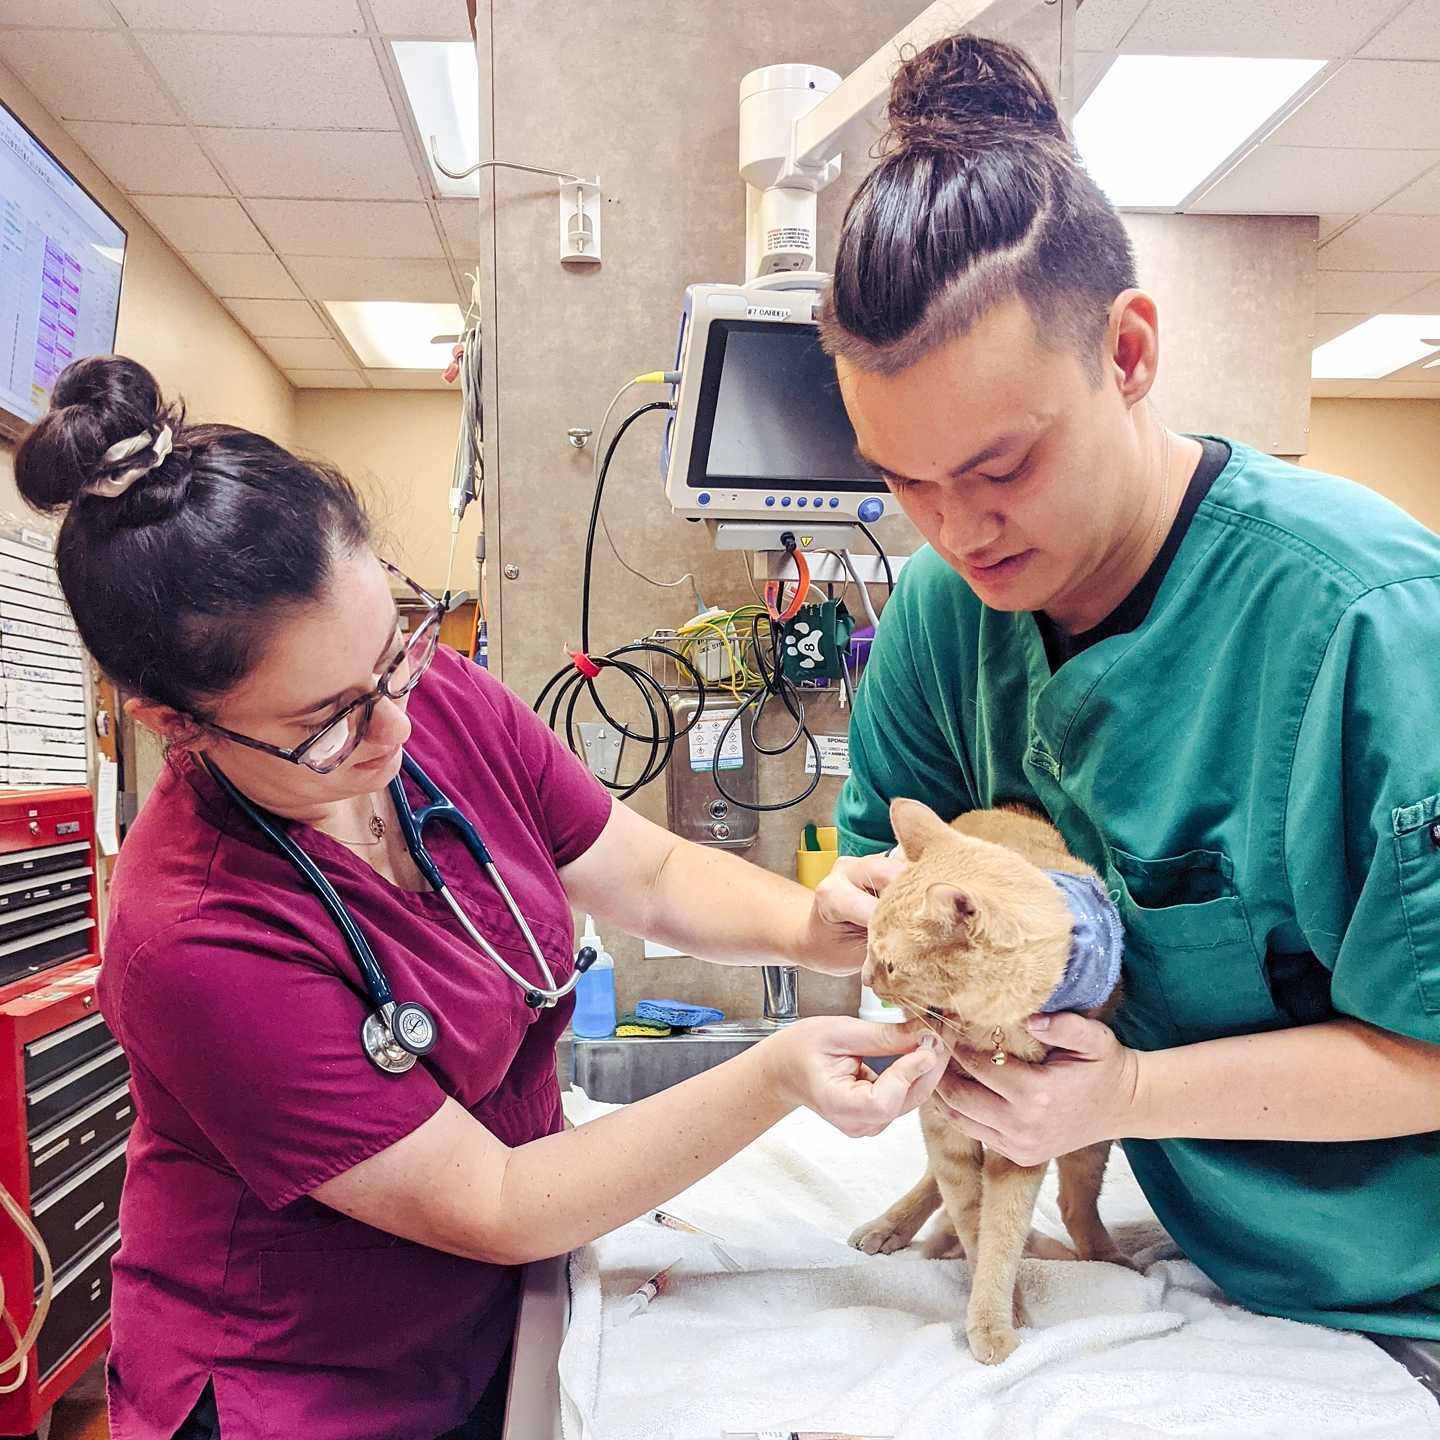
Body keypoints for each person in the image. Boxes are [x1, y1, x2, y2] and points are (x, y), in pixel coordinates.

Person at [14, 355, 944, 1440]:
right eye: (327, 722)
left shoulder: (428, 698)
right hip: (304, 1381)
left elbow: (641, 870)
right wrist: (776, 1074)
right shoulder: (192, 942)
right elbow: (494, 1201)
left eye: (394, 653)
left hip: (488, 1320)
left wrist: (812, 928)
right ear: (173, 723)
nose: (397, 729)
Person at [820, 33, 1440, 1340]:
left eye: (1000, 466)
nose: (956, 531)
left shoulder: (1373, 624)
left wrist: (1132, 1097)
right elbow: (892, 876)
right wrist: (882, 914)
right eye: (902, 480)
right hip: (1219, 1269)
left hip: (1411, 1296)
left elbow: (1428, 1052)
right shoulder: (947, 618)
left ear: (1131, 352)